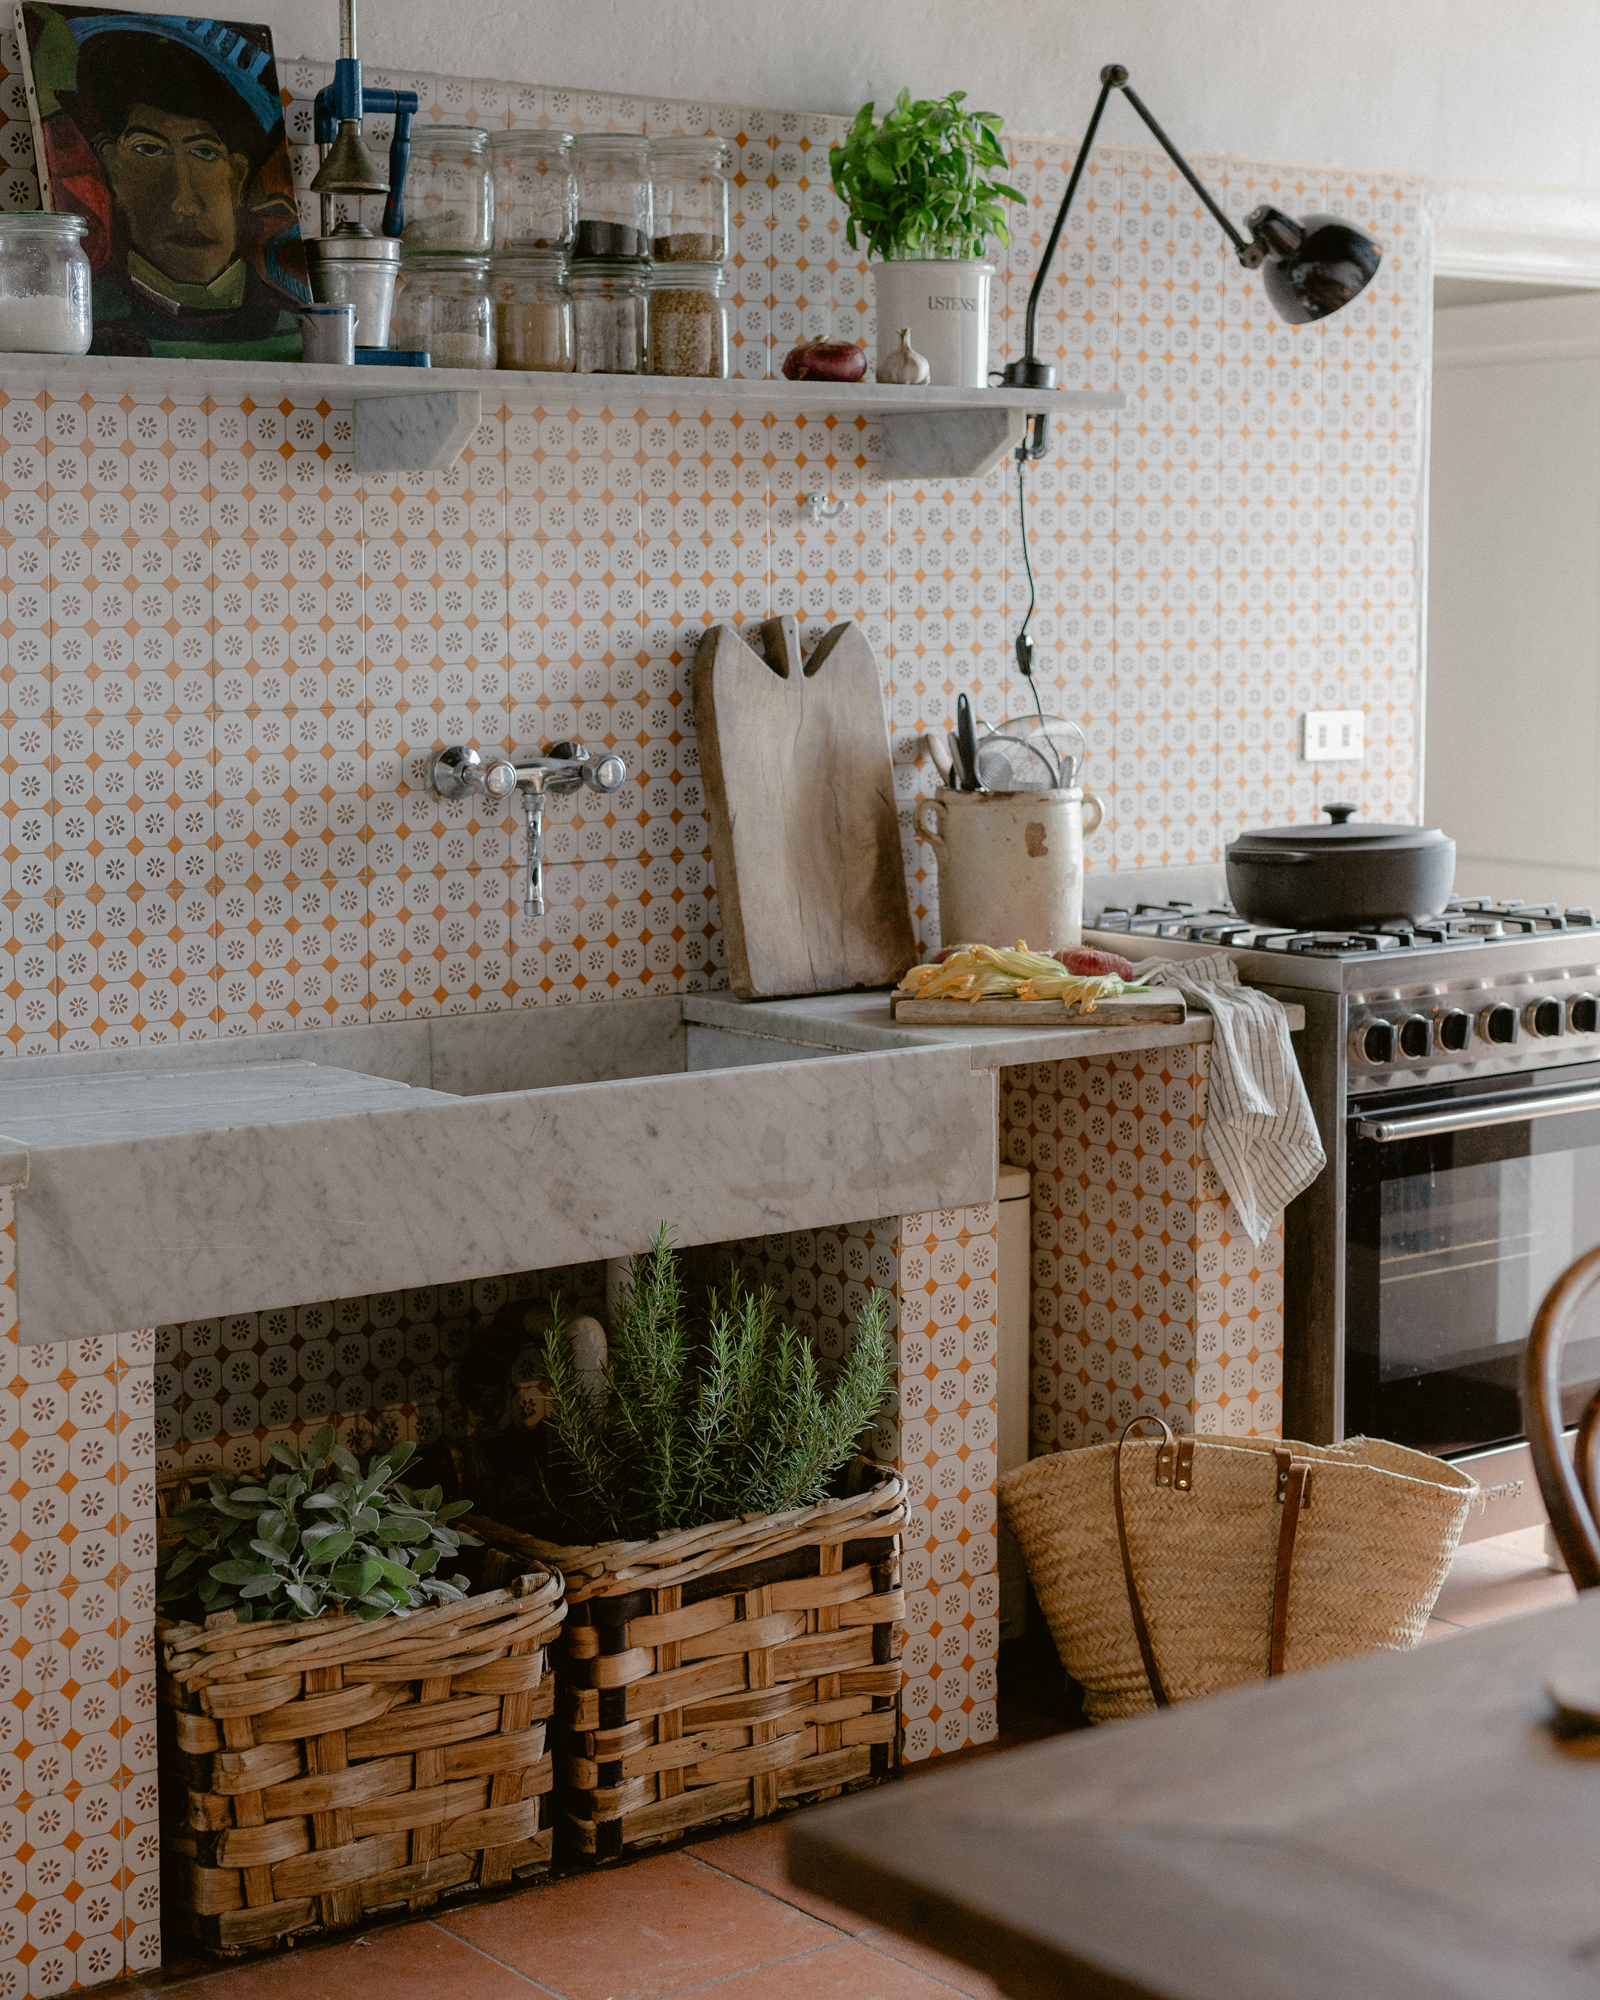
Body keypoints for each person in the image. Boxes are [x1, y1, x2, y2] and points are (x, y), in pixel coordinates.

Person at [31, 12, 307, 356]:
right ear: (113, 170)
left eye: (204, 153)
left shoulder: (297, 330)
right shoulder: (81, 323)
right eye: (148, 149)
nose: (183, 202)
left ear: (237, 176)